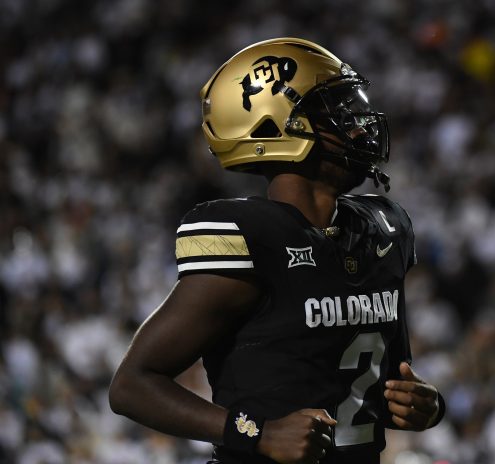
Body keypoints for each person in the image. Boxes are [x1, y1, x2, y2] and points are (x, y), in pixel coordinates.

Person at [109, 37, 445, 464]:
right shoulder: (251, 235)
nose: (360, 125)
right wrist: (256, 433)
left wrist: (423, 404)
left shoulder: (384, 228)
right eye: (336, 112)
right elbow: (132, 385)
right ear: (276, 126)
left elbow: (390, 382)